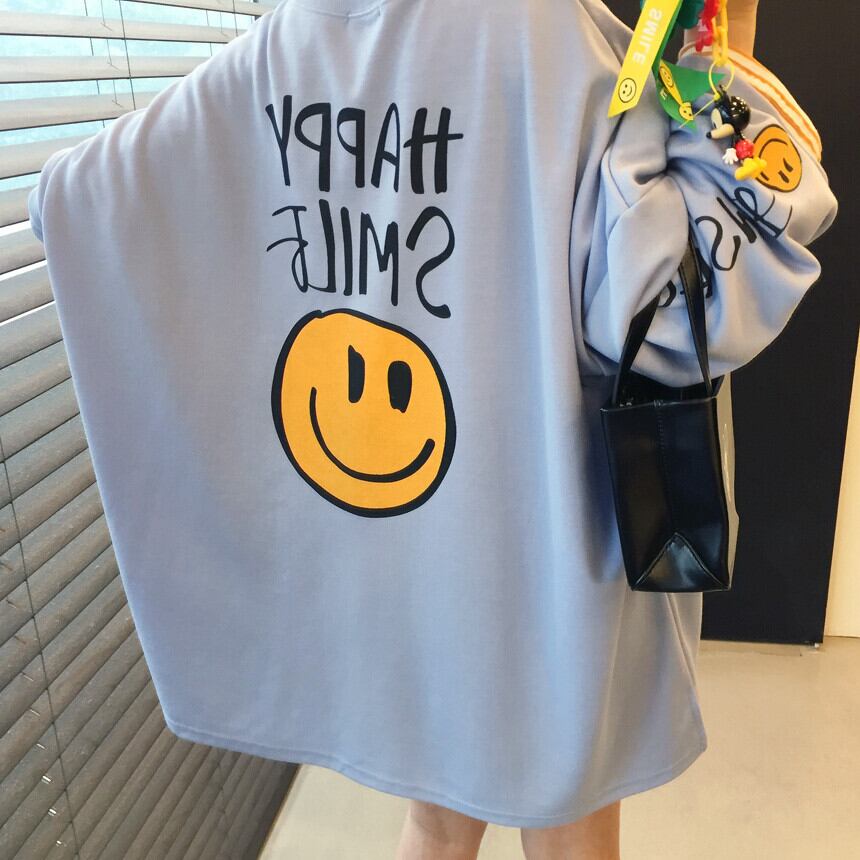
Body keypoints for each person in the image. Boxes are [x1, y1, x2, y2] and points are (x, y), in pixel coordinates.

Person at [28, 0, 837, 858]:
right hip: (551, 522)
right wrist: (725, 41)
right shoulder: (552, 33)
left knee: (437, 823)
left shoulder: (296, 34)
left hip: (409, 549)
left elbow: (89, 195)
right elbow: (665, 306)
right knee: (570, 816)